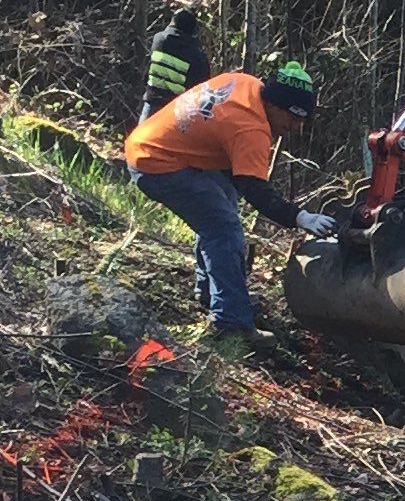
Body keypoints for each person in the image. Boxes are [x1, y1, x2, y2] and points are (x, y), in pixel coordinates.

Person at [121, 60, 338, 343]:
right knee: (223, 228)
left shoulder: (245, 83)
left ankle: (213, 292)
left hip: (155, 144)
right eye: (293, 118)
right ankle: (231, 323)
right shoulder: (251, 129)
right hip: (156, 162)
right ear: (275, 105)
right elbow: (255, 190)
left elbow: (232, 167)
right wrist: (300, 217)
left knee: (223, 204)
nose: (295, 127)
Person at [143, 5, 212, 115]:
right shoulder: (197, 56)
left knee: (141, 133)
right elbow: (201, 90)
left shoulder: (159, 40)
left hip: (152, 102)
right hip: (176, 110)